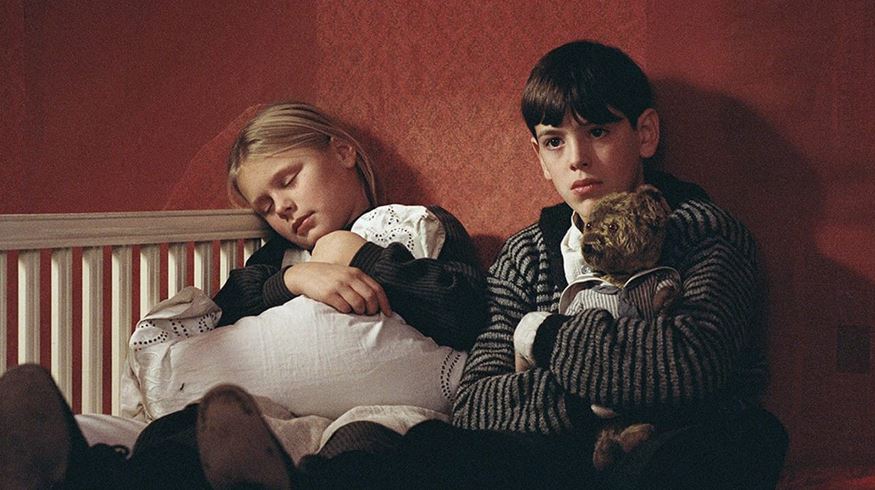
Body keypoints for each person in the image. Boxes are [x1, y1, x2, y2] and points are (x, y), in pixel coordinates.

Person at [183, 39, 789, 489]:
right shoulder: (527, 254)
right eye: (555, 141)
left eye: (600, 132)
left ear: (645, 133)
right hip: (558, 453)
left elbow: (689, 367)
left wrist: (543, 337)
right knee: (433, 445)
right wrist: (595, 401)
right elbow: (477, 402)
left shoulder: (703, 230)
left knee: (721, 447)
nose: (577, 159)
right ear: (540, 157)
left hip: (681, 442)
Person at [0, 101, 488, 488]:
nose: (284, 209)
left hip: (387, 405)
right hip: (279, 414)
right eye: (267, 206)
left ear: (343, 152)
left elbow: (467, 309)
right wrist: (294, 281)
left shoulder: (416, 225)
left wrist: (360, 255)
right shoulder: (277, 260)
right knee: (205, 425)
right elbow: (223, 317)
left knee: (363, 440)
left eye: (289, 180)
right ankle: (87, 471)